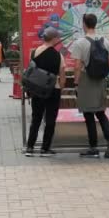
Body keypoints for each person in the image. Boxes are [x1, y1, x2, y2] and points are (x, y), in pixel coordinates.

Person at [70, 14, 109, 159]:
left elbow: (77, 66)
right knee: (101, 113)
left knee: (88, 114)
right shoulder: (106, 42)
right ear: (95, 24)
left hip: (86, 80)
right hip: (101, 81)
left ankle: (93, 147)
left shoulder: (80, 43)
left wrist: (76, 83)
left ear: (84, 24)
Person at [25, 28, 66, 157]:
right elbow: (62, 76)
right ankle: (45, 148)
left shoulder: (34, 52)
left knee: (36, 118)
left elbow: (30, 72)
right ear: (54, 39)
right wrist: (61, 88)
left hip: (37, 89)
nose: (58, 40)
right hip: (53, 90)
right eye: (58, 38)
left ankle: (30, 147)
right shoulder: (59, 56)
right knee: (50, 119)